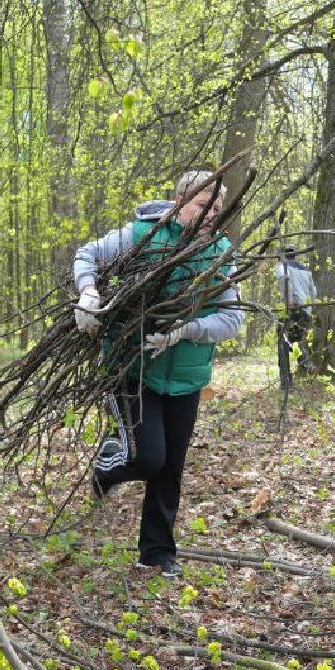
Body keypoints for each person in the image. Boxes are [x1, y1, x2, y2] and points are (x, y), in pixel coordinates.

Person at [72, 170, 243, 578]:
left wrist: (187, 331)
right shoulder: (143, 236)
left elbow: (233, 318)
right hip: (133, 369)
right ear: (181, 202)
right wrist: (88, 292)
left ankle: (157, 552)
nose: (211, 214)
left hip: (186, 376)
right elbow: (87, 254)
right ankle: (107, 465)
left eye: (218, 209)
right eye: (205, 205)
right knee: (148, 457)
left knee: (170, 468)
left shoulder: (220, 252)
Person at [275, 245, 318, 375]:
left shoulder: (282, 266)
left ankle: (285, 381)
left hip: (292, 309)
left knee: (283, 342)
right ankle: (308, 365)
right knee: (295, 340)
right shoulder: (306, 270)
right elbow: (314, 293)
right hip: (305, 311)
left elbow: (283, 279)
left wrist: (289, 299)